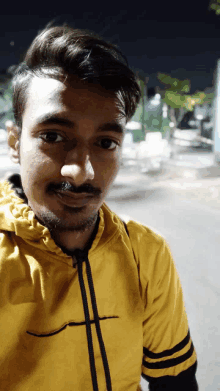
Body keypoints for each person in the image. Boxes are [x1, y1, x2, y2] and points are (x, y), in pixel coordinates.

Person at [0, 24, 198, 391]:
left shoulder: (145, 254)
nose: (81, 172)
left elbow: (176, 381)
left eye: (105, 143)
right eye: (54, 137)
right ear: (15, 142)